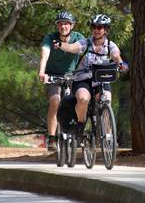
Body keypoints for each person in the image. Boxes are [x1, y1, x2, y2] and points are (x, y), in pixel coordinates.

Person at [52, 14, 128, 137]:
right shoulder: (85, 43)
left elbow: (117, 57)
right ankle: (80, 124)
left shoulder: (110, 45)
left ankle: (108, 136)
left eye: (100, 27)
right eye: (94, 27)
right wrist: (60, 45)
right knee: (83, 99)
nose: (96, 30)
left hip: (101, 80)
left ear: (106, 30)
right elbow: (71, 47)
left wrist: (122, 65)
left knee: (106, 100)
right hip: (83, 80)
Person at [39, 11, 84, 151]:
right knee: (55, 100)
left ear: (72, 25)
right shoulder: (50, 38)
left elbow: (86, 52)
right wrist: (42, 71)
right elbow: (45, 54)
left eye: (66, 23)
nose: (63, 26)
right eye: (60, 23)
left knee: (80, 101)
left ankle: (78, 134)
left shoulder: (78, 37)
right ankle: (52, 138)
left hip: (73, 76)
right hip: (53, 76)